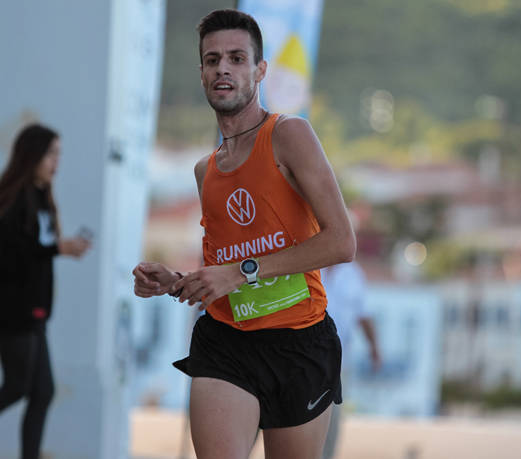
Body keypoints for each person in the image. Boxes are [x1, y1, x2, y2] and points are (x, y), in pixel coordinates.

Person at [132, 9, 356, 459]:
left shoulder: (289, 134)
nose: (223, 69)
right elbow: (224, 271)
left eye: (237, 58)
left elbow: (341, 243)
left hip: (299, 340)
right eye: (212, 60)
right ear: (201, 73)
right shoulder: (205, 171)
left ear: (260, 70)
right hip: (226, 341)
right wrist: (178, 282)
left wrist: (241, 271)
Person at [0, 123, 90, 459]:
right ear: (32, 155)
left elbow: (37, 249)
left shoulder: (41, 197)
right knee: (17, 387)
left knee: (42, 391)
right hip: (12, 309)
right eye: (51, 153)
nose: (56, 162)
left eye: (59, 154)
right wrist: (57, 249)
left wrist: (60, 248)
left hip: (33, 310)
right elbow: (9, 253)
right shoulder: (14, 198)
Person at [320, 260, 381, 459]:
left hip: (338, 361)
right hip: (302, 356)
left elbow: (364, 314)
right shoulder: (309, 263)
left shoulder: (353, 273)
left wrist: (374, 348)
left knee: (332, 420)